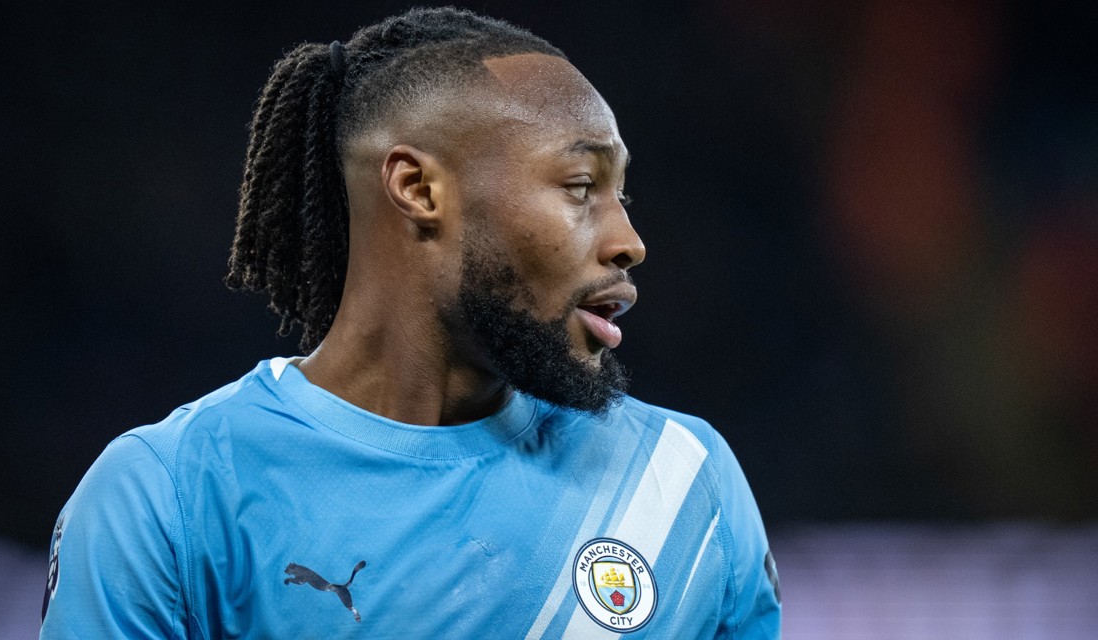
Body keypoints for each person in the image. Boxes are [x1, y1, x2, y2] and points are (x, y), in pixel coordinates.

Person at [39, 7, 781, 638]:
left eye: (625, 196)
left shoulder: (681, 483)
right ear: (419, 187)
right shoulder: (171, 498)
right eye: (582, 186)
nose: (629, 241)